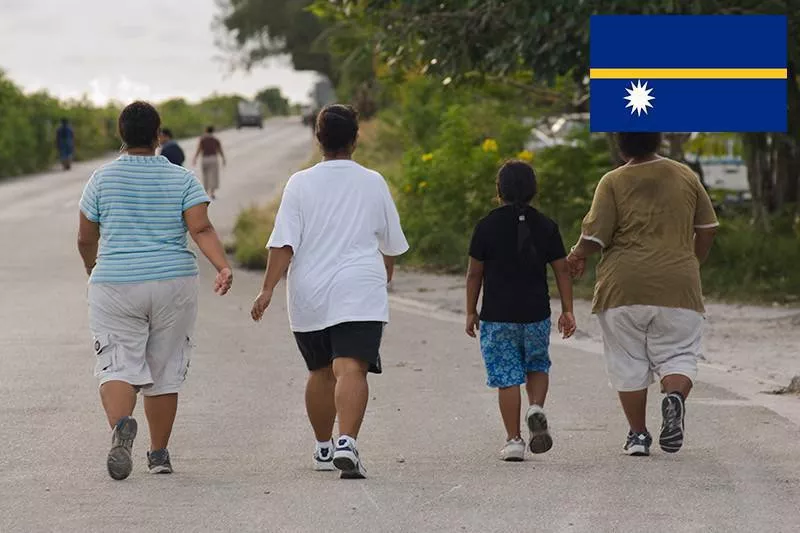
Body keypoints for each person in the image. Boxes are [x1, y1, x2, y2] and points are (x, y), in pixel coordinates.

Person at [250, 104, 409, 479]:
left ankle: (324, 448)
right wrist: (385, 274)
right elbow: (389, 244)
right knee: (351, 367)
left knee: (321, 371)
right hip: (360, 289)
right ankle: (347, 443)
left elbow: (283, 244)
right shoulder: (373, 181)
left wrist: (267, 289)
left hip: (310, 293)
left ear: (318, 139)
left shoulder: (299, 183)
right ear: (355, 139)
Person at [77, 101, 233, 480]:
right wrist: (222, 266)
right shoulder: (181, 178)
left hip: (115, 282)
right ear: (158, 134)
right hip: (172, 284)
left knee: (116, 364)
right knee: (164, 370)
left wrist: (92, 268)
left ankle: (121, 427)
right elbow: (201, 229)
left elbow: (85, 237)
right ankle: (159, 454)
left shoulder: (101, 179)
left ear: (121, 134)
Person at [566, 132, 718, 457]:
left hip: (623, 286)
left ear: (621, 148)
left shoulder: (612, 181)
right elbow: (707, 228)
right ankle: (674, 397)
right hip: (679, 284)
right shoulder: (685, 175)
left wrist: (576, 255)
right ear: (658, 141)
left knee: (628, 360)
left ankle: (637, 436)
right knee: (678, 353)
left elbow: (594, 237)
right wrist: (691, 262)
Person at [465, 160, 576, 462]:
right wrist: (568, 310)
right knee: (537, 364)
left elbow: (475, 274)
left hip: (497, 315)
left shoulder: (486, 225)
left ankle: (514, 439)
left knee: (507, 377)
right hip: (535, 314)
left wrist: (470, 311)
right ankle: (536, 406)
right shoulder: (546, 226)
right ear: (533, 190)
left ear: (498, 190)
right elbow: (562, 271)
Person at [192, 126, 226, 199]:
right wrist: (223, 158)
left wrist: (195, 158)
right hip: (213, 158)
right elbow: (220, 149)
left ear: (206, 130)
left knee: (205, 175)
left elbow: (199, 149)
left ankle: (206, 192)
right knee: (213, 176)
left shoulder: (203, 139)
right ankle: (212, 193)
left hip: (205, 158)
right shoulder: (215, 140)